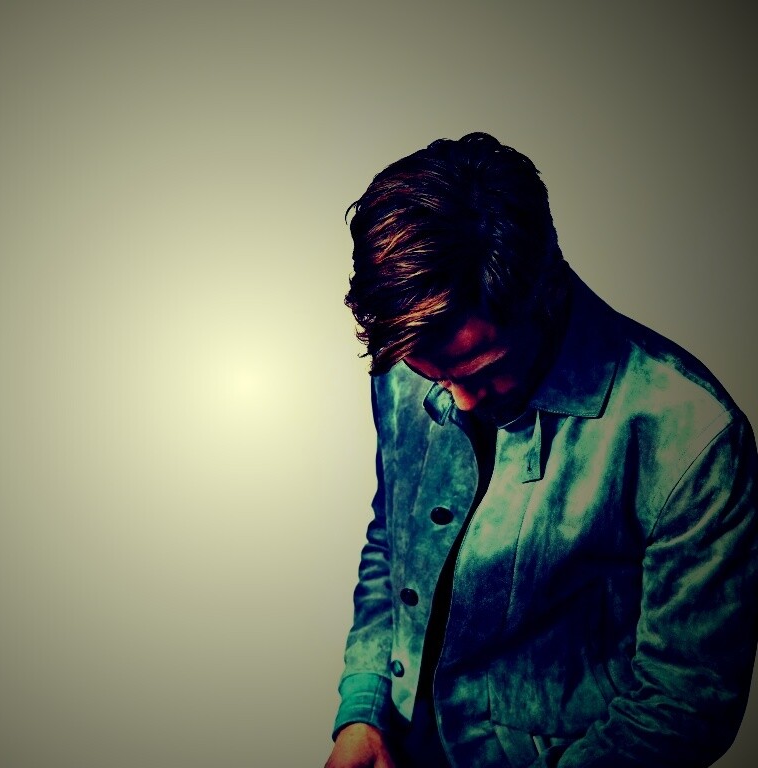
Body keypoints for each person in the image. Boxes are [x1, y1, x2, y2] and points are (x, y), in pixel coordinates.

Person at [324, 132, 758, 768]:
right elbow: (394, 540)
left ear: (545, 294)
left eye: (484, 369)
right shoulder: (407, 349)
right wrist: (363, 712)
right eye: (433, 374)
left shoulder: (691, 435)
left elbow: (685, 702)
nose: (458, 400)